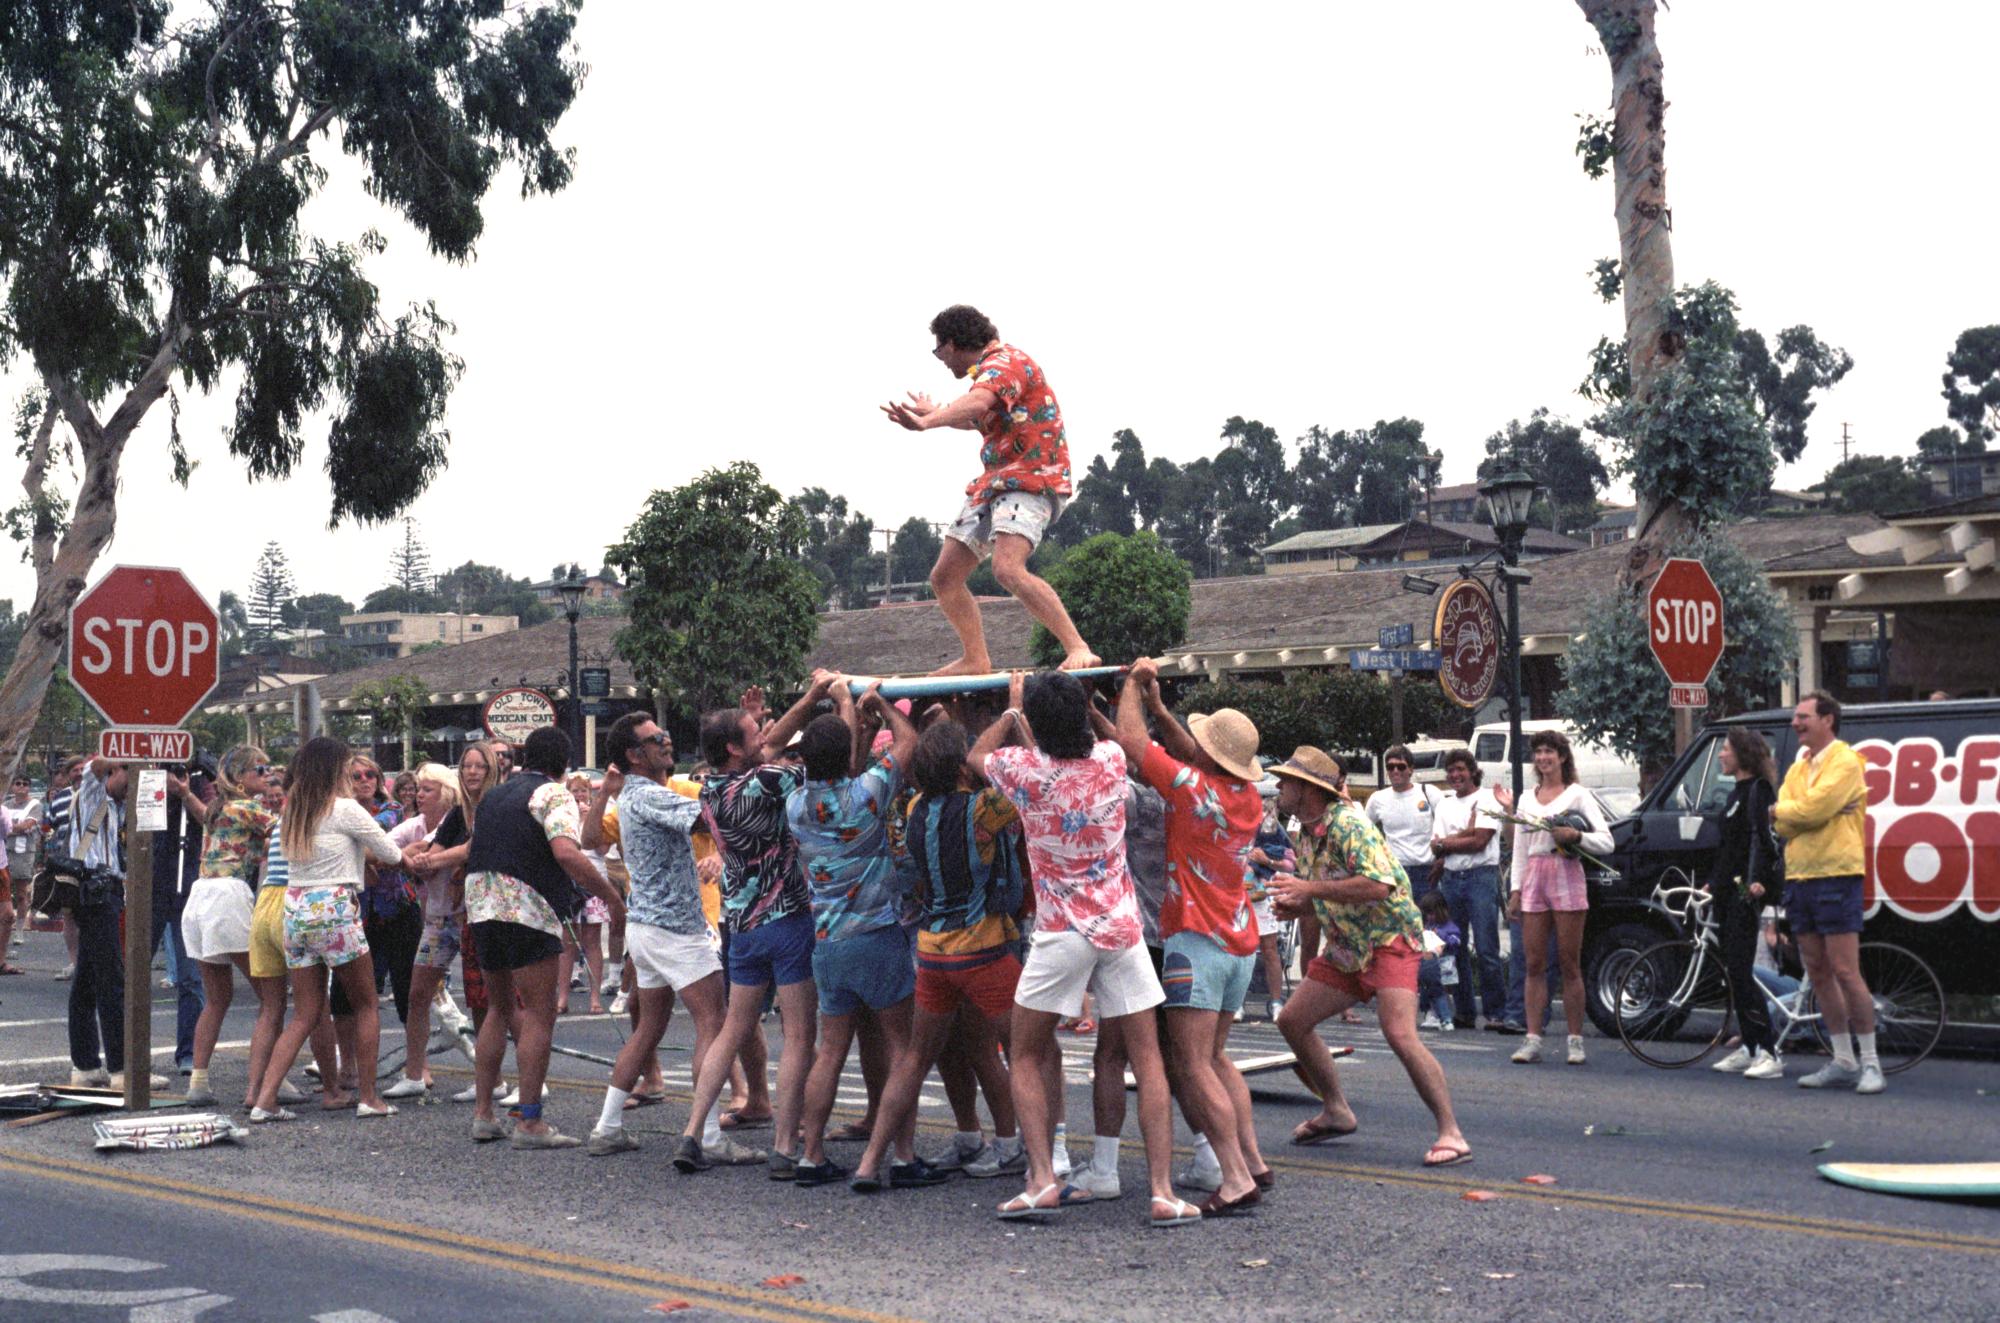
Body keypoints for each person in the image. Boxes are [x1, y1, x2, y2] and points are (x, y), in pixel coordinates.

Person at [978, 669, 1200, 1228]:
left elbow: (978, 756)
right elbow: (1121, 737)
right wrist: (1123, 691)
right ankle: (1162, 1191)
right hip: (1122, 929)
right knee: (1148, 1062)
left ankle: (1041, 1179)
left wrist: (1011, 711)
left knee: (1026, 1054)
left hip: (1060, 932)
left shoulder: (1022, 771)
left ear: (1035, 724)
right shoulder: (1109, 762)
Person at [1113, 658, 1270, 1217]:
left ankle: (1231, 1176)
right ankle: (1251, 1159)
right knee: (1218, 1060)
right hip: (1239, 942)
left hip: (1194, 944)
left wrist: (1133, 689)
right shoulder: (1245, 798)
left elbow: (1132, 742)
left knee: (1192, 1066)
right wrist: (1158, 708)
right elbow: (1187, 754)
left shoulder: (1190, 788)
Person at [1268, 747, 1470, 1168]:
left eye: (1286, 781)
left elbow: (1377, 886)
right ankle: (1336, 1109)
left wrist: (1309, 893)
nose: (1278, 787)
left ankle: (1451, 1132)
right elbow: (1331, 889)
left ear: (1307, 789)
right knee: (1292, 1020)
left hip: (1387, 939)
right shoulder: (1306, 830)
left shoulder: (1348, 824)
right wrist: (1300, 905)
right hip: (1346, 946)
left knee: (1399, 1033)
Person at [679, 673, 840, 1179]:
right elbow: (793, 757)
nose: (763, 736)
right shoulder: (771, 781)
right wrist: (813, 700)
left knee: (732, 1029)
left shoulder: (710, 790)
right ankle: (784, 1145)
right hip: (788, 919)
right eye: (753, 732)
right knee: (798, 1035)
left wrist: (770, 716)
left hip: (740, 924)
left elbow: (765, 747)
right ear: (734, 747)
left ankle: (692, 1131)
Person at [879, 304, 1097, 675]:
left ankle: (1078, 646)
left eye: (939, 351)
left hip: (1031, 477)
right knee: (944, 578)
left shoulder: (1006, 362)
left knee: (1007, 568)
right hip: (996, 481)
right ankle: (976, 658)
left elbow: (978, 401)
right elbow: (978, 414)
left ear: (952, 343)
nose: (941, 361)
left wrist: (929, 420)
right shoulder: (987, 374)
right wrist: (940, 410)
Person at [584, 713, 757, 1167]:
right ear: (633, 755)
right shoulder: (646, 797)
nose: (666, 741)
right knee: (713, 1024)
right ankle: (709, 1136)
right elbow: (706, 817)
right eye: (654, 739)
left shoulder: (634, 797)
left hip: (647, 928)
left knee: (649, 1029)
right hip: (675, 929)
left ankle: (607, 1127)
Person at [863, 717, 1030, 1187]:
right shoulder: (984, 808)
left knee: (926, 1055)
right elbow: (1025, 785)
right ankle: (1012, 1144)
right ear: (962, 765)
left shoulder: (912, 809)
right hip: (986, 947)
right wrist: (1010, 719)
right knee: (1014, 1053)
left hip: (932, 952)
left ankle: (874, 1159)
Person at [783, 683, 935, 1190]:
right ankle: (904, 1155)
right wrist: (883, 705)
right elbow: (909, 742)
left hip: (827, 940)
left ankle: (811, 1154)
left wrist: (847, 715)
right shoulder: (865, 793)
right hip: (877, 934)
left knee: (830, 1051)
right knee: (900, 1047)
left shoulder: (796, 805)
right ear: (848, 754)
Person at [462, 726, 626, 1148]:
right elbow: (566, 851)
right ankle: (529, 1121)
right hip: (527, 904)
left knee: (498, 1009)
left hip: (481, 903)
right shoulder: (553, 794)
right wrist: (608, 894)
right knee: (538, 1013)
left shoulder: (495, 795)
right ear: (563, 764)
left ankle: (484, 1113)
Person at [248, 737, 415, 1122]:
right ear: (333, 770)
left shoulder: (293, 814)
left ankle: (264, 1100)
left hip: (296, 909)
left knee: (305, 1013)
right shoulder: (345, 810)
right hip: (336, 908)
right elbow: (390, 854)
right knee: (366, 1004)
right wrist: (413, 860)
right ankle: (369, 1097)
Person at [1774, 690, 1882, 1094]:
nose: (1795, 723)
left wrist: (1793, 812)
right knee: (1816, 970)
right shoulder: (1798, 768)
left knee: (1844, 970)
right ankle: (1842, 1058)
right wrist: (1795, 813)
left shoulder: (1847, 762)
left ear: (1828, 720)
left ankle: (1871, 1063)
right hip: (1800, 876)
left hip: (1837, 875)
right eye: (1795, 717)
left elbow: (1808, 811)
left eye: (1803, 717)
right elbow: (1786, 819)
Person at [172, 747, 279, 1106]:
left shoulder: (219, 808)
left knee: (217, 998)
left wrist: (186, 794)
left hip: (199, 897)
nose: (269, 774)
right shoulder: (249, 808)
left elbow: (207, 818)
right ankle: (266, 1078)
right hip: (229, 896)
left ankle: (199, 1082)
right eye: (259, 770)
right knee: (270, 997)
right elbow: (288, 832)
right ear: (238, 777)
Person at [1505, 730, 1613, 1067]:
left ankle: (1575, 1040)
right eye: (1538, 752)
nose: (1542, 758)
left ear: (1562, 757)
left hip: (1566, 873)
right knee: (1533, 963)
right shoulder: (1525, 799)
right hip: (1535, 877)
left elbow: (1607, 841)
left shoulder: (1578, 795)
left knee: (1569, 963)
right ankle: (1533, 1038)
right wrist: (1515, 890)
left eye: (1549, 751)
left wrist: (1576, 835)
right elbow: (1520, 849)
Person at [64, 758, 167, 1090]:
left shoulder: (120, 805)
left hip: (102, 891)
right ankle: (123, 1069)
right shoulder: (93, 792)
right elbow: (99, 762)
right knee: (113, 981)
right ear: (117, 771)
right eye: (130, 774)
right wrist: (131, 742)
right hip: (95, 890)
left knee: (88, 980)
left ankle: (86, 1065)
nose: (134, 783)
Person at [1706, 728, 1786, 1080]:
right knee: (1732, 972)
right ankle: (1750, 1046)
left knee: (1741, 969)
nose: (1721, 756)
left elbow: (1768, 843)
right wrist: (1712, 882)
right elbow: (1729, 848)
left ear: (1742, 754)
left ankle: (1769, 1050)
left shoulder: (1759, 791)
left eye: (1725, 750)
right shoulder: (1735, 793)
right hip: (1726, 892)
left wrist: (1763, 883)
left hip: (1744, 893)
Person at [382, 763, 463, 1101]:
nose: (418, 794)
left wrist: (409, 857)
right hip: (436, 921)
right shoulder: (414, 824)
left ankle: (500, 1080)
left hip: (467, 918)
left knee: (492, 1000)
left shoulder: (456, 820)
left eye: (427, 789)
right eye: (417, 788)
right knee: (418, 995)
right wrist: (407, 856)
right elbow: (383, 850)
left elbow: (427, 858)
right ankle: (415, 1074)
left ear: (445, 793)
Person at [1428, 749, 1504, 1029]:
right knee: (1454, 947)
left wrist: (1448, 842)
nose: (1455, 775)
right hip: (1451, 878)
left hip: (1480, 877)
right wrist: (1462, 835)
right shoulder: (1445, 805)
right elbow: (1435, 845)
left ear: (1473, 771)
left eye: (1460, 769)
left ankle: (1496, 1012)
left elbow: (1480, 841)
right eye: (1450, 771)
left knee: (1486, 948)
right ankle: (1464, 1011)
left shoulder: (1487, 799)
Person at [350, 755, 422, 1045]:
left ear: (379, 779)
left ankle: (418, 1066)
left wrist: (355, 851)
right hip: (359, 910)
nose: (365, 780)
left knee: (407, 986)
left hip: (398, 908)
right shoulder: (341, 811)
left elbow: (371, 834)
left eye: (370, 774)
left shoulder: (390, 809)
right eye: (356, 776)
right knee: (352, 992)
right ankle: (347, 1062)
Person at [1366, 745, 1440, 902]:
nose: (1395, 771)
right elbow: (1365, 832)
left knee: (1428, 924)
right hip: (1394, 872)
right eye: (1390, 767)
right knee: (1398, 925)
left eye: (1401, 766)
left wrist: (1442, 860)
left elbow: (1448, 827)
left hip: (1427, 873)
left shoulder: (1429, 793)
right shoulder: (1377, 799)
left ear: (1411, 769)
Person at [1246, 798, 1296, 1020]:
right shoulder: (1237, 826)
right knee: (1240, 949)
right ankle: (1237, 1002)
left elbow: (1291, 863)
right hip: (1240, 891)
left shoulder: (1276, 831)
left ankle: (1276, 1001)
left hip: (1265, 893)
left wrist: (1267, 861)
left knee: (1269, 949)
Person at [2, 774, 43, 967]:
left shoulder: (35, 805)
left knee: (20, 893)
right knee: (4, 895)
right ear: (12, 787)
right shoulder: (6, 804)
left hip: (23, 851)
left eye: (25, 784)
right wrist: (14, 828)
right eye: (17, 783)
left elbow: (28, 826)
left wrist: (11, 827)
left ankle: (19, 929)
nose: (21, 787)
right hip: (5, 850)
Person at [1415, 891, 1463, 1031]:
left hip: (1445, 963)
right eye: (1427, 914)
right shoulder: (1429, 926)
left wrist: (1442, 937)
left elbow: (1456, 940)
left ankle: (1442, 1015)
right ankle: (1431, 1013)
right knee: (1428, 988)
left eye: (1432, 913)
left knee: (1441, 990)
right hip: (1431, 962)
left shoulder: (1449, 927)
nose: (1430, 917)